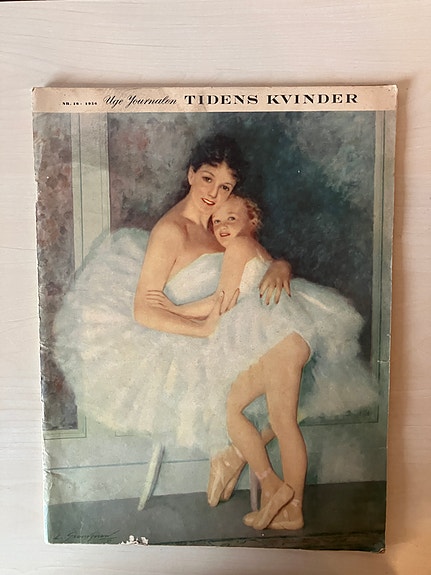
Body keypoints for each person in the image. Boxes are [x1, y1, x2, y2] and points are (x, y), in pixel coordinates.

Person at [144, 193, 378, 531]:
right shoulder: (257, 252)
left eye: (232, 218)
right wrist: (179, 310)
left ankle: (289, 503)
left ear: (251, 221)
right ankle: (277, 491)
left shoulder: (240, 246)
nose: (223, 226)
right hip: (284, 339)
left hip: (281, 339)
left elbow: (222, 300)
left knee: (275, 420)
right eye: (217, 221)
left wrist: (176, 310)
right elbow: (232, 295)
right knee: (241, 410)